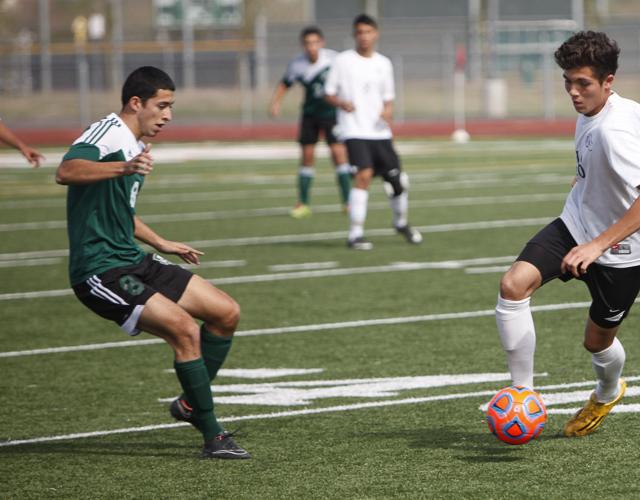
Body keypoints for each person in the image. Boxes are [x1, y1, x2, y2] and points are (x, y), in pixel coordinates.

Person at [55, 66, 250, 459]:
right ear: (135, 103)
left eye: (171, 106)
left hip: (132, 258)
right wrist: (125, 167)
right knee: (183, 330)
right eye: (162, 106)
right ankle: (213, 436)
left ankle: (191, 404)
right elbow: (66, 170)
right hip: (100, 270)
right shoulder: (107, 135)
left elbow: (119, 211)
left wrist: (161, 241)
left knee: (225, 312)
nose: (168, 115)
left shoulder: (136, 146)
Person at [494, 31, 640, 437]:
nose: (574, 93)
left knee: (597, 342)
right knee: (513, 285)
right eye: (568, 83)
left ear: (608, 82)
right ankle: (524, 393)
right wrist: (590, 179)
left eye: (583, 84)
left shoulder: (613, 132)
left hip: (624, 250)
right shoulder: (618, 106)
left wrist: (595, 245)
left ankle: (607, 392)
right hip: (577, 222)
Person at [324, 14, 422, 250]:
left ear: (375, 34)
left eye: (368, 32)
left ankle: (400, 223)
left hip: (380, 132)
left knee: (396, 179)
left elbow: (388, 99)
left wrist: (387, 112)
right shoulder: (343, 61)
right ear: (354, 35)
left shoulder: (383, 63)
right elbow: (328, 93)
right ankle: (355, 234)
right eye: (359, 32)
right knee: (364, 175)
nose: (364, 37)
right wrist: (341, 103)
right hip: (353, 129)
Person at [269, 26, 353, 218]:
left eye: (315, 42)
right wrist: (275, 103)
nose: (312, 47)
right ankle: (303, 203)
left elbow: (349, 78)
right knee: (307, 157)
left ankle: (348, 202)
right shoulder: (297, 64)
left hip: (332, 114)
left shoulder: (334, 59)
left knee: (339, 155)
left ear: (322, 43)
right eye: (308, 43)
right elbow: (285, 84)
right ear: (303, 45)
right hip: (310, 114)